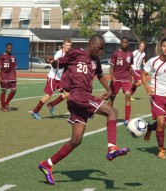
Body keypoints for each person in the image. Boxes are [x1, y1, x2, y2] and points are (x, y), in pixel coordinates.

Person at [38, 34, 130, 185]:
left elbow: (100, 75)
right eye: (99, 48)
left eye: (103, 49)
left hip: (80, 98)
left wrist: (109, 90)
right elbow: (59, 64)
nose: (101, 52)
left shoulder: (96, 61)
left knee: (76, 140)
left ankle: (47, 164)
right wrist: (52, 61)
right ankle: (112, 147)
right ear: (91, 44)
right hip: (77, 94)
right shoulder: (76, 53)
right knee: (112, 112)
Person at [30, 39, 72, 119]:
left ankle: (51, 104)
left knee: (67, 94)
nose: (68, 47)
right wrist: (52, 62)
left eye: (69, 45)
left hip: (60, 78)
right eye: (67, 45)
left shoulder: (68, 54)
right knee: (48, 96)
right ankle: (35, 111)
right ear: (63, 45)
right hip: (53, 77)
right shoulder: (59, 54)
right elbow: (54, 65)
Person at [108, 37, 134, 126]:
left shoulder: (130, 54)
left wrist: (131, 79)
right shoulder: (115, 53)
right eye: (123, 42)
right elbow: (111, 67)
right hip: (116, 79)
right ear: (121, 43)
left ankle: (127, 119)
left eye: (126, 42)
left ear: (128, 43)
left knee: (128, 96)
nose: (124, 44)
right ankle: (110, 117)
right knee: (112, 98)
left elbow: (130, 67)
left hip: (126, 79)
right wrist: (112, 77)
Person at [0, 43, 17, 112]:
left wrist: (15, 77)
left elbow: (14, 68)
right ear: (6, 48)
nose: (9, 49)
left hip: (11, 76)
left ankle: (6, 103)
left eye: (10, 48)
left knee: (14, 90)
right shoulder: (2, 56)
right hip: (4, 76)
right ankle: (3, 107)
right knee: (3, 91)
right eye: (8, 48)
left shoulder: (13, 57)